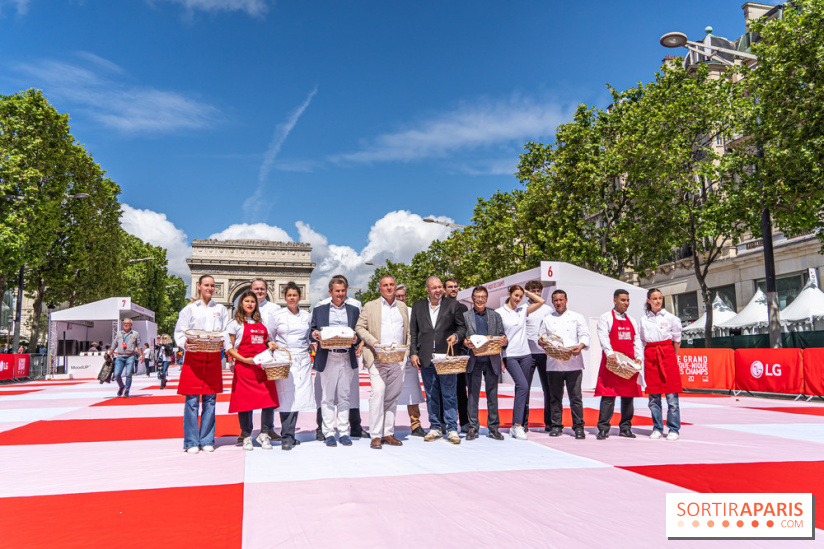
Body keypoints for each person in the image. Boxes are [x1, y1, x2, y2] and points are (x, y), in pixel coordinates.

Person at [174, 275, 229, 454]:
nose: (210, 288)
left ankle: (207, 439)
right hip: (194, 356)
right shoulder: (189, 309)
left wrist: (229, 350)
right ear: (199, 286)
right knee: (191, 401)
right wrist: (184, 343)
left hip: (212, 357)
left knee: (210, 400)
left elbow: (226, 331)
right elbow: (179, 331)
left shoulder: (221, 309)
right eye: (206, 285)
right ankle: (191, 441)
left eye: (212, 286)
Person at [409, 276, 466, 444]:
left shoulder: (453, 305)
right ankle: (434, 427)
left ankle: (451, 428)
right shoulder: (418, 306)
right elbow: (413, 332)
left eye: (440, 287)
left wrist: (456, 336)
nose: (438, 290)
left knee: (449, 395)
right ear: (427, 289)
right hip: (426, 358)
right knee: (432, 394)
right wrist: (413, 353)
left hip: (447, 358)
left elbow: (462, 327)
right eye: (434, 288)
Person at [356, 275, 410, 450]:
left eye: (391, 285)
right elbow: (359, 328)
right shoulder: (370, 306)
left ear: (395, 287)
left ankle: (388, 433)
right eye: (385, 285)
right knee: (378, 394)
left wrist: (406, 351)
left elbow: (408, 332)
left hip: (397, 359)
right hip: (377, 357)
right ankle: (375, 435)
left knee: (392, 396)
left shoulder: (402, 307)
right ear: (379, 288)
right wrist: (374, 342)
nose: (388, 288)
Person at [314, 274, 368, 440]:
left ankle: (344, 431)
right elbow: (312, 330)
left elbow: (359, 331)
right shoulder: (319, 309)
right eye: (337, 291)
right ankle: (328, 431)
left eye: (343, 290)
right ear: (330, 292)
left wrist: (357, 339)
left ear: (347, 291)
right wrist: (314, 334)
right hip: (328, 356)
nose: (340, 294)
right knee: (327, 396)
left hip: (346, 356)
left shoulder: (354, 310)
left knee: (345, 396)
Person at [225, 290, 279, 451]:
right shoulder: (234, 323)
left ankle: (264, 433)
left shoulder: (261, 323)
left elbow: (266, 340)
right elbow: (229, 347)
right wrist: (243, 359)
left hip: (261, 367)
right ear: (241, 303)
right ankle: (247, 435)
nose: (250, 304)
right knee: (245, 404)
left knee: (268, 401)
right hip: (244, 366)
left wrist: (270, 344)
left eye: (253, 302)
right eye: (247, 301)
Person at [270, 281, 315, 451]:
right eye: (289, 295)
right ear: (284, 297)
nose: (292, 298)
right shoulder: (277, 316)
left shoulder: (307, 316)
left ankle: (289, 434)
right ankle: (287, 435)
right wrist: (272, 346)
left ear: (300, 297)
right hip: (284, 357)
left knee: (297, 397)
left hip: (302, 358)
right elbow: (270, 335)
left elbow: (310, 337)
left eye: (294, 295)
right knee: (285, 397)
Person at [496, 284, 545, 440]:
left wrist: (526, 291)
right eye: (515, 295)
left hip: (525, 354)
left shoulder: (522, 310)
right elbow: (498, 338)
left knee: (522, 389)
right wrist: (499, 359)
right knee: (523, 385)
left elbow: (541, 301)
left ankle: (518, 425)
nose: (518, 299)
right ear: (509, 294)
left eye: (520, 296)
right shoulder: (499, 313)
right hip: (509, 355)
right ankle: (517, 425)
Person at [540, 289, 590, 439]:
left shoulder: (577, 317)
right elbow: (541, 337)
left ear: (566, 300)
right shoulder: (547, 319)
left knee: (575, 397)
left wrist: (580, 346)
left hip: (573, 363)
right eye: (555, 300)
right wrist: (541, 342)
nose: (558, 303)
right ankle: (556, 425)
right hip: (554, 363)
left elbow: (585, 335)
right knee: (555, 397)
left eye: (561, 300)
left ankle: (578, 427)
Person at [595, 289, 643, 440]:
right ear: (614, 300)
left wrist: (639, 357)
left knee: (628, 397)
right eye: (623, 300)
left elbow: (637, 341)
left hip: (628, 365)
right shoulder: (605, 318)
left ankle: (625, 427)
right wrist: (610, 353)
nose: (626, 303)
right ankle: (603, 428)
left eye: (627, 300)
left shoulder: (633, 321)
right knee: (608, 396)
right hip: (612, 363)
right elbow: (603, 337)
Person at [462, 285, 507, 441]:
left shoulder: (495, 316)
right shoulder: (465, 316)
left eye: (482, 297)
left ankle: (493, 428)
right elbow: (462, 336)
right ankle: (473, 427)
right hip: (473, 360)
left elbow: (502, 336)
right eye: (477, 297)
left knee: (492, 395)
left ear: (486, 299)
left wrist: (504, 340)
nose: (480, 299)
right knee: (473, 396)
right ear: (473, 299)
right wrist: (464, 342)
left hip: (491, 360)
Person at [641, 288, 683, 441]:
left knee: (672, 397)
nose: (658, 301)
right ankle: (657, 427)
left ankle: (674, 428)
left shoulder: (671, 318)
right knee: (653, 397)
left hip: (667, 354)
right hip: (651, 355)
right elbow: (642, 340)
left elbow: (677, 340)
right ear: (649, 300)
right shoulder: (644, 319)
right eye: (654, 298)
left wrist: (672, 355)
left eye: (660, 298)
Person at [246, 277, 283, 442]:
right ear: (251, 290)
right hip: (247, 356)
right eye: (256, 289)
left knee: (269, 394)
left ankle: (268, 429)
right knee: (246, 392)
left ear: (267, 291)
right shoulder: (244, 308)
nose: (259, 291)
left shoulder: (275, 308)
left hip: (269, 356)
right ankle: (245, 431)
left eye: (262, 289)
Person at [394, 285, 426, 436]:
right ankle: (387, 426)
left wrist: (414, 353)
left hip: (409, 357)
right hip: (391, 358)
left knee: (413, 391)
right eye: (398, 296)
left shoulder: (412, 311)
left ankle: (415, 424)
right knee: (389, 392)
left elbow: (417, 334)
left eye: (403, 296)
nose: (401, 298)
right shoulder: (388, 312)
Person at [524, 280, 552, 432]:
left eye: (538, 291)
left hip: (545, 354)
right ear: (527, 292)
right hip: (528, 354)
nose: (536, 294)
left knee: (548, 389)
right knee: (524, 388)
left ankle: (550, 422)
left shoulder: (548, 309)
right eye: (533, 291)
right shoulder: (522, 309)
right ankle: (523, 422)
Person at [444, 278, 470, 433]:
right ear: (445, 289)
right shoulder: (439, 306)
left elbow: (465, 328)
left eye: (455, 286)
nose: (453, 289)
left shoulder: (463, 307)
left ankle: (465, 422)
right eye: (450, 287)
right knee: (442, 390)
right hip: (443, 353)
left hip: (459, 353)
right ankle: (441, 422)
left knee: (461, 389)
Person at [110, 318, 142, 398]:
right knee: (117, 374)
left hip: (130, 356)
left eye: (128, 323)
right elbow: (114, 343)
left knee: (128, 374)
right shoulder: (119, 333)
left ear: (131, 325)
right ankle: (121, 386)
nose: (126, 325)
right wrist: (111, 351)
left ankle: (127, 391)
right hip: (120, 356)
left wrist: (141, 355)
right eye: (124, 323)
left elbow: (139, 345)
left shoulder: (135, 334)